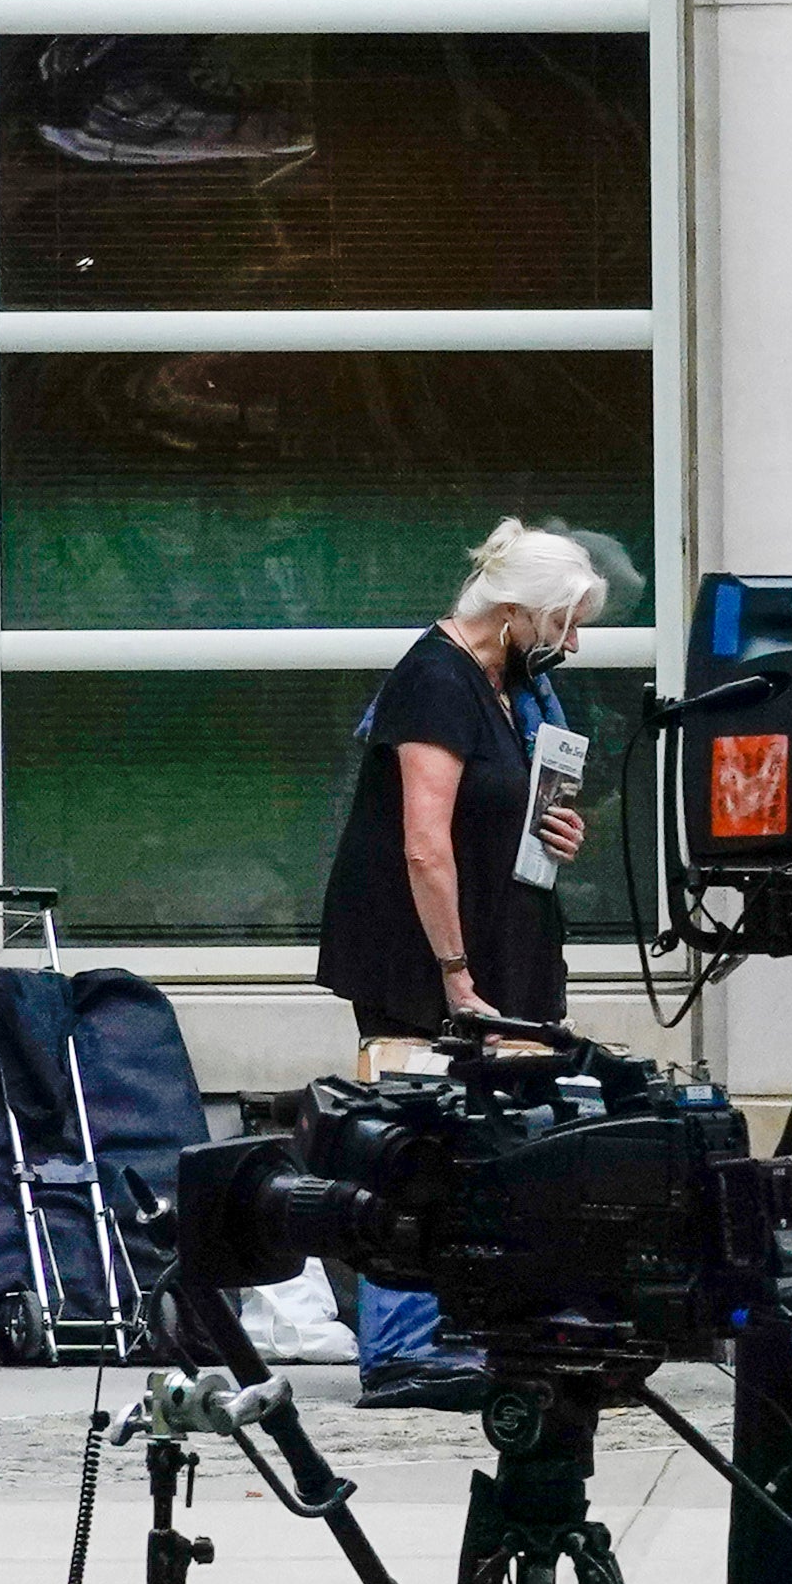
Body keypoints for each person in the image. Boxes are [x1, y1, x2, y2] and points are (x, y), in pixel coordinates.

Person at [311, 518, 604, 1403]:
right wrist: (453, 971)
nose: (572, 642)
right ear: (514, 611)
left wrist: (559, 831)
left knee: (481, 1138)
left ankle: (464, 1322)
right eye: (563, 622)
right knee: (414, 1132)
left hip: (497, 931)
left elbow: (491, 808)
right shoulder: (436, 679)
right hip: (422, 950)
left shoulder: (506, 683)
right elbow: (424, 843)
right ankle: (400, 1343)